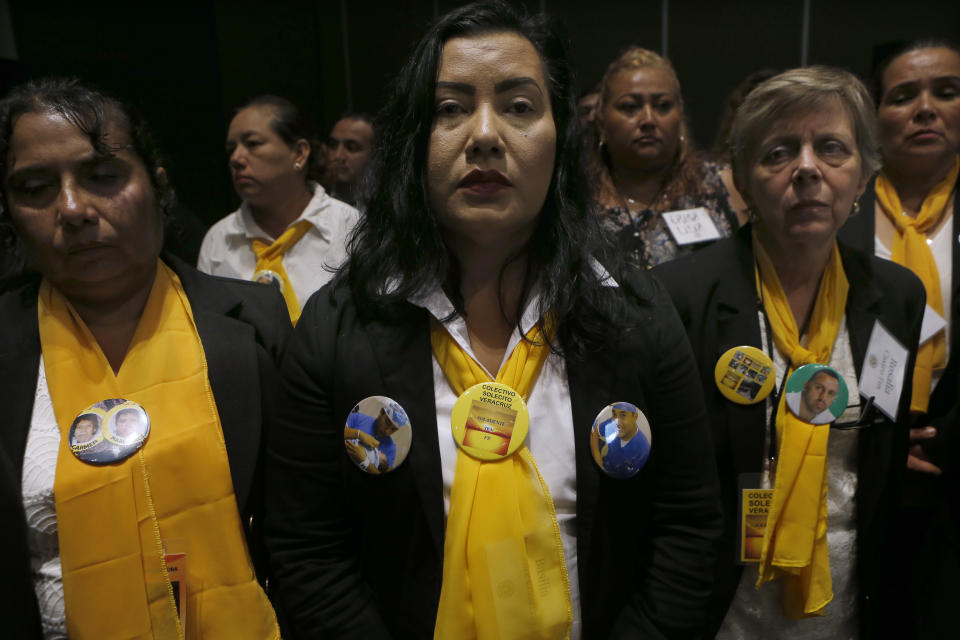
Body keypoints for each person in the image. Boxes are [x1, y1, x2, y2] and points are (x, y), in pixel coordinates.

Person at [264, 2, 722, 639]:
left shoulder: (631, 312)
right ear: (412, 140)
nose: (484, 134)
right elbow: (308, 547)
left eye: (519, 107)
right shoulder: (339, 326)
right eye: (450, 109)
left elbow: (687, 525)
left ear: (560, 137)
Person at [0, 77, 288, 639]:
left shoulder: (255, 324)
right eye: (35, 187)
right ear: (8, 213)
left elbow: (305, 537)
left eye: (103, 176)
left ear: (158, 186)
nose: (73, 208)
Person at [655, 67, 926, 638]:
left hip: (850, 606)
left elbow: (879, 433)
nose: (807, 169)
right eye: (779, 153)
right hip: (720, 611)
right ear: (745, 184)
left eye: (831, 148)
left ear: (863, 176)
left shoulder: (897, 295)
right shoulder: (679, 297)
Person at [837, 38, 960, 639]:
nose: (926, 108)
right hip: (859, 458)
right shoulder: (840, 210)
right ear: (874, 115)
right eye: (903, 95)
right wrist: (882, 440)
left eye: (946, 91)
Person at [198, 95, 359, 323]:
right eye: (231, 149)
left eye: (252, 144)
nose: (236, 158)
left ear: (300, 153)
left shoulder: (350, 226)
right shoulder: (219, 239)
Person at [587, 46, 742, 269]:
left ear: (679, 116)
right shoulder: (576, 200)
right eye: (630, 107)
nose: (648, 120)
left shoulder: (724, 186)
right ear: (601, 120)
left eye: (663, 106)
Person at [327, 112, 374, 206]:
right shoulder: (311, 199)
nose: (338, 155)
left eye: (352, 147)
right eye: (333, 145)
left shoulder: (388, 206)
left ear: (374, 153)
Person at [343, 404, 404, 473]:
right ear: (381, 412)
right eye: (387, 422)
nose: (387, 432)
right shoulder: (358, 418)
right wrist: (358, 434)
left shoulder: (391, 449)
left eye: (393, 429)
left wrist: (365, 462)